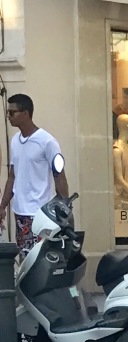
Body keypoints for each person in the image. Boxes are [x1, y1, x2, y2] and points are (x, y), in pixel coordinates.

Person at [1, 94, 69, 253]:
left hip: (39, 214)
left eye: (12, 113)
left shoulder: (47, 142)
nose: (9, 117)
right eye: (7, 113)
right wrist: (2, 206)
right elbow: (12, 176)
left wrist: (64, 209)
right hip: (20, 214)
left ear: (25, 114)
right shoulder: (15, 141)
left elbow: (59, 175)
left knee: (39, 260)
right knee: (25, 259)